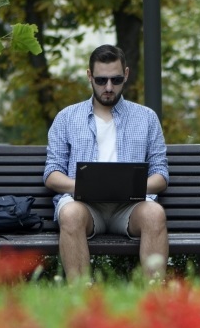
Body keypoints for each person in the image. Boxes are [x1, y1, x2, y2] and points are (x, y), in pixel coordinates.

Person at [43, 44, 169, 281]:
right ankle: (81, 296)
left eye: (116, 79)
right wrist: (83, 187)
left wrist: (132, 188)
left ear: (127, 75)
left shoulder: (146, 118)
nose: (109, 87)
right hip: (84, 205)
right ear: (89, 76)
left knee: (155, 214)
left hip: (130, 206)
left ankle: (156, 300)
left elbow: (161, 173)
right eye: (101, 80)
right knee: (69, 214)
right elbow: (52, 173)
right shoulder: (67, 117)